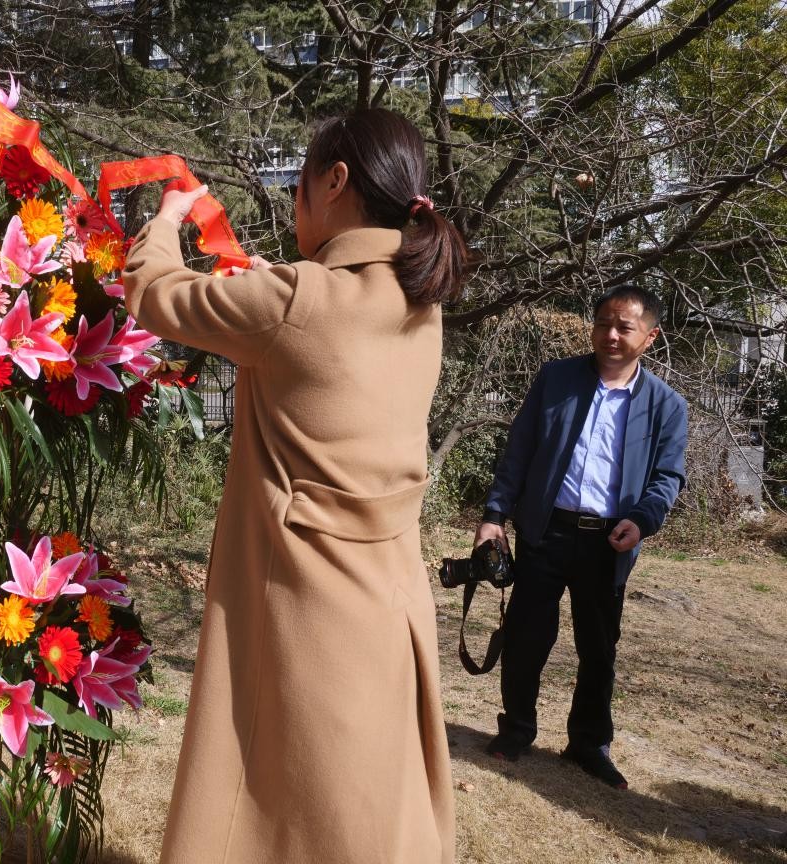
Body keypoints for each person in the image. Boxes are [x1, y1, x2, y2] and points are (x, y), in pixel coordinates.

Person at [122, 109, 467, 864]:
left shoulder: (298, 300)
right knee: (366, 787)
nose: (295, 203)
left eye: (302, 185)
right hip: (389, 593)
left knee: (287, 790)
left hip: (302, 597)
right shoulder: (421, 303)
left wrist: (170, 217)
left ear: (337, 182)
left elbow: (151, 290)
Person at [475, 285, 688, 789]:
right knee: (527, 636)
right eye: (602, 324)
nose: (610, 335)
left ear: (650, 337)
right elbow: (520, 449)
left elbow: (668, 476)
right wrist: (494, 515)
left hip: (608, 542)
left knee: (599, 647)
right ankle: (516, 731)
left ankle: (589, 744)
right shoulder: (557, 379)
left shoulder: (665, 406)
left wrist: (644, 518)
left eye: (624, 327)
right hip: (545, 532)